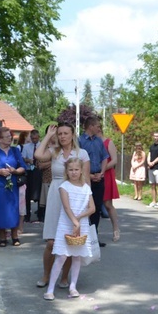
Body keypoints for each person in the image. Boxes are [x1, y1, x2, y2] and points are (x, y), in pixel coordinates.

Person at [34, 123, 90, 288]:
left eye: (66, 133)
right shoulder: (54, 152)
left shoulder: (82, 154)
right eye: (59, 134)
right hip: (56, 195)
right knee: (51, 241)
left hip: (75, 197)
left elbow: (86, 179)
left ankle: (64, 277)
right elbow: (38, 155)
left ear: (72, 134)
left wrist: (87, 203)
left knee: (69, 240)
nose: (62, 136)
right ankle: (46, 275)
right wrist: (47, 136)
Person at [44, 157, 95, 301]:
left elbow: (92, 208)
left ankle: (73, 286)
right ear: (67, 171)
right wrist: (74, 221)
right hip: (66, 224)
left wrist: (79, 219)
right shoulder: (64, 186)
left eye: (76, 170)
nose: (73, 172)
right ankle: (50, 288)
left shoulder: (86, 188)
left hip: (80, 224)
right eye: (71, 170)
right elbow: (66, 207)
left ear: (81, 171)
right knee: (61, 256)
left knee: (77, 257)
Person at [0, 127, 26, 247]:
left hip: (12, 186)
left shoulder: (15, 151)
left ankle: (15, 236)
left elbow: (23, 167)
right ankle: (2, 238)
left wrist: (15, 171)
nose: (10, 138)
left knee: (13, 210)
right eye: (7, 136)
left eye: (10, 136)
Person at [78, 116, 108, 242]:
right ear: (91, 126)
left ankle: (94, 236)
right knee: (84, 208)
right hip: (85, 178)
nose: (98, 128)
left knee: (96, 208)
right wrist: (88, 176)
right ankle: (83, 235)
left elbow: (105, 157)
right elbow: (77, 162)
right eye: (97, 126)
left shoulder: (99, 141)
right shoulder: (79, 141)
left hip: (98, 177)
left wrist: (101, 173)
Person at [99, 130, 121, 242]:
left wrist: (102, 169)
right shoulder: (91, 142)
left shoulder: (108, 142)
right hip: (93, 174)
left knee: (108, 204)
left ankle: (115, 229)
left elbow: (114, 160)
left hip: (106, 174)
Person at [36, 124, 56, 223]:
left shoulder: (61, 147)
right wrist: (54, 161)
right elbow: (39, 165)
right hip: (47, 180)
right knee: (49, 206)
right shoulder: (44, 148)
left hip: (58, 180)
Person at [22, 129, 43, 222]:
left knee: (40, 192)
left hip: (39, 171)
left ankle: (40, 214)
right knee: (28, 193)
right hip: (29, 171)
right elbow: (23, 158)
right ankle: (27, 215)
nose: (34, 140)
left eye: (36, 138)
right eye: (32, 138)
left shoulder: (43, 146)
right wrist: (28, 160)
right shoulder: (26, 147)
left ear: (39, 137)